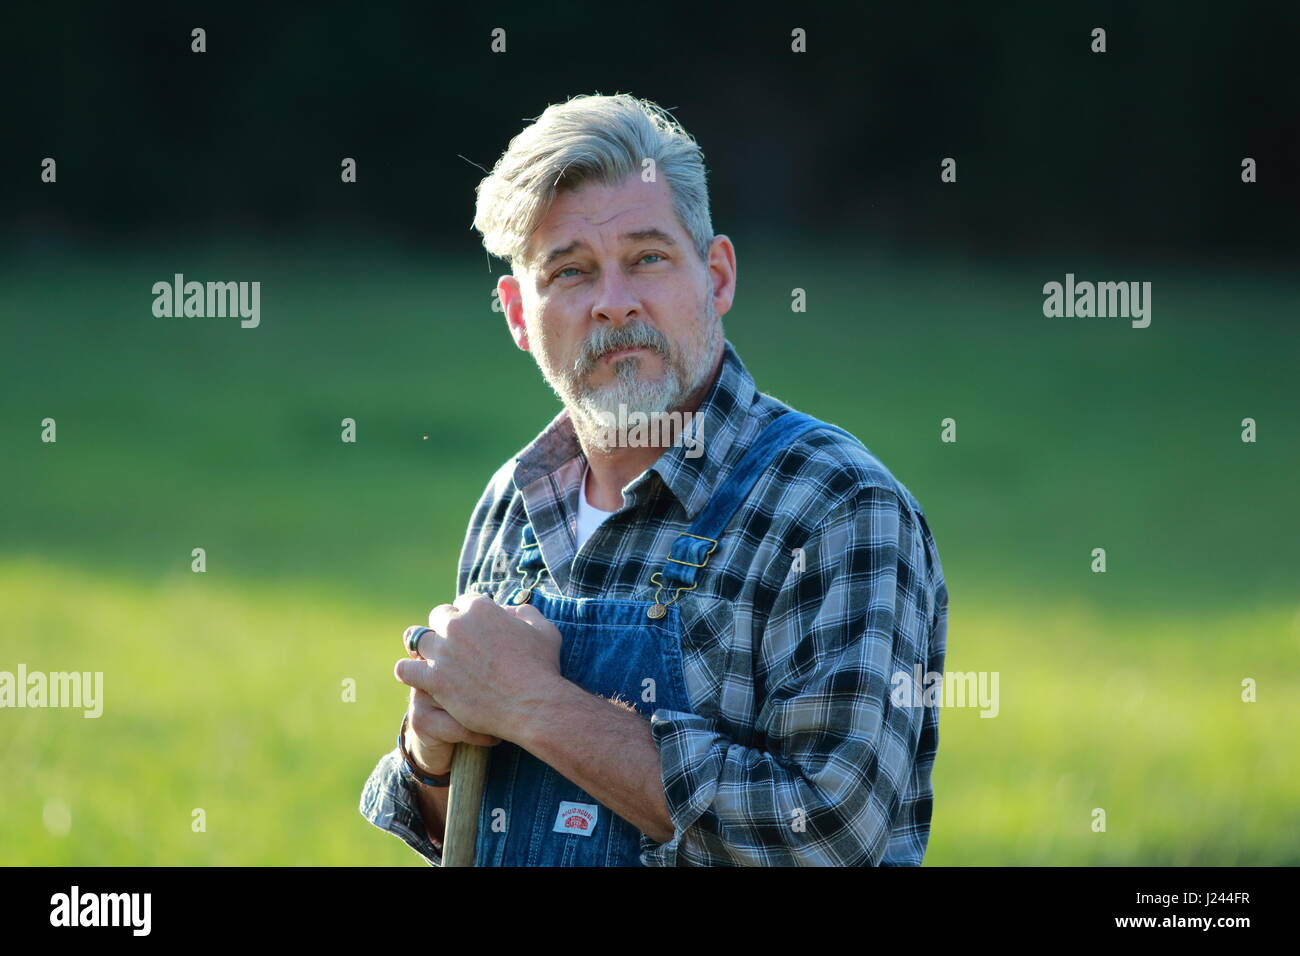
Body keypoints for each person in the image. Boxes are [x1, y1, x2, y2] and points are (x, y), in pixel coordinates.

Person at [359, 92, 948, 866]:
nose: (613, 303)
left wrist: (537, 706)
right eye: (569, 272)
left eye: (647, 258)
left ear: (717, 275)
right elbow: (468, 831)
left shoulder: (836, 507)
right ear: (516, 314)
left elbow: (833, 836)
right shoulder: (513, 503)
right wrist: (430, 754)